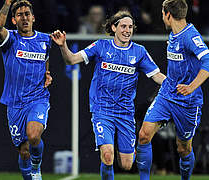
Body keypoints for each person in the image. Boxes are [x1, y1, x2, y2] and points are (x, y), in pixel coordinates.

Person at [51, 10, 166, 180]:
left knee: (127, 164)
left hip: (125, 112)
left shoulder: (139, 52)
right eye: (123, 26)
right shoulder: (101, 46)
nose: (127, 30)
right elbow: (72, 60)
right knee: (107, 155)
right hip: (102, 109)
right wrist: (63, 46)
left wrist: (176, 88)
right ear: (114, 27)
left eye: (130, 27)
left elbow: (157, 75)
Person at [136, 0, 209, 180]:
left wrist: (191, 87)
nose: (162, 18)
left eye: (162, 14)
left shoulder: (190, 36)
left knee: (183, 148)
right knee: (143, 135)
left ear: (168, 15)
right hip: (167, 94)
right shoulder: (174, 34)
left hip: (188, 102)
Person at [0, 0, 52, 179]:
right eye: (20, 15)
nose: (24, 18)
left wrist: (47, 72)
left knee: (34, 135)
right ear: (14, 20)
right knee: (24, 151)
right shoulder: (10, 39)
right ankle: (30, 174)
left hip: (38, 99)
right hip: (14, 102)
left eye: (27, 14)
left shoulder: (45, 39)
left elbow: (46, 57)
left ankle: (36, 167)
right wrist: (7, 3)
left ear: (33, 18)